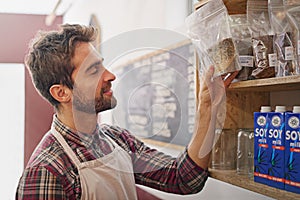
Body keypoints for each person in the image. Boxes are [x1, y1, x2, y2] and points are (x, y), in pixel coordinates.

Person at [16, 24, 226, 199]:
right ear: (62, 93)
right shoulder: (47, 170)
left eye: (102, 65)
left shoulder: (118, 139)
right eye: (93, 70)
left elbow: (183, 179)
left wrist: (207, 108)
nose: (110, 76)